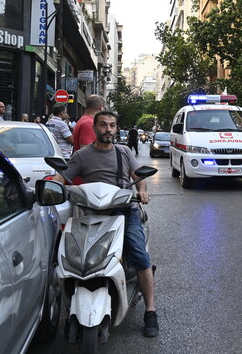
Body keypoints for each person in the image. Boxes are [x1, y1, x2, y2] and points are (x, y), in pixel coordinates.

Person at [53, 110, 159, 337]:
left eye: (112, 125)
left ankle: (150, 310)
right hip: (89, 212)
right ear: (95, 128)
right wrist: (52, 189)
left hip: (124, 211)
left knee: (139, 255)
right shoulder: (82, 156)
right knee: (69, 255)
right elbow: (61, 178)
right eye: (103, 125)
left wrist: (142, 192)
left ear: (116, 128)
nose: (108, 129)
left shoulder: (123, 152)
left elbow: (139, 178)